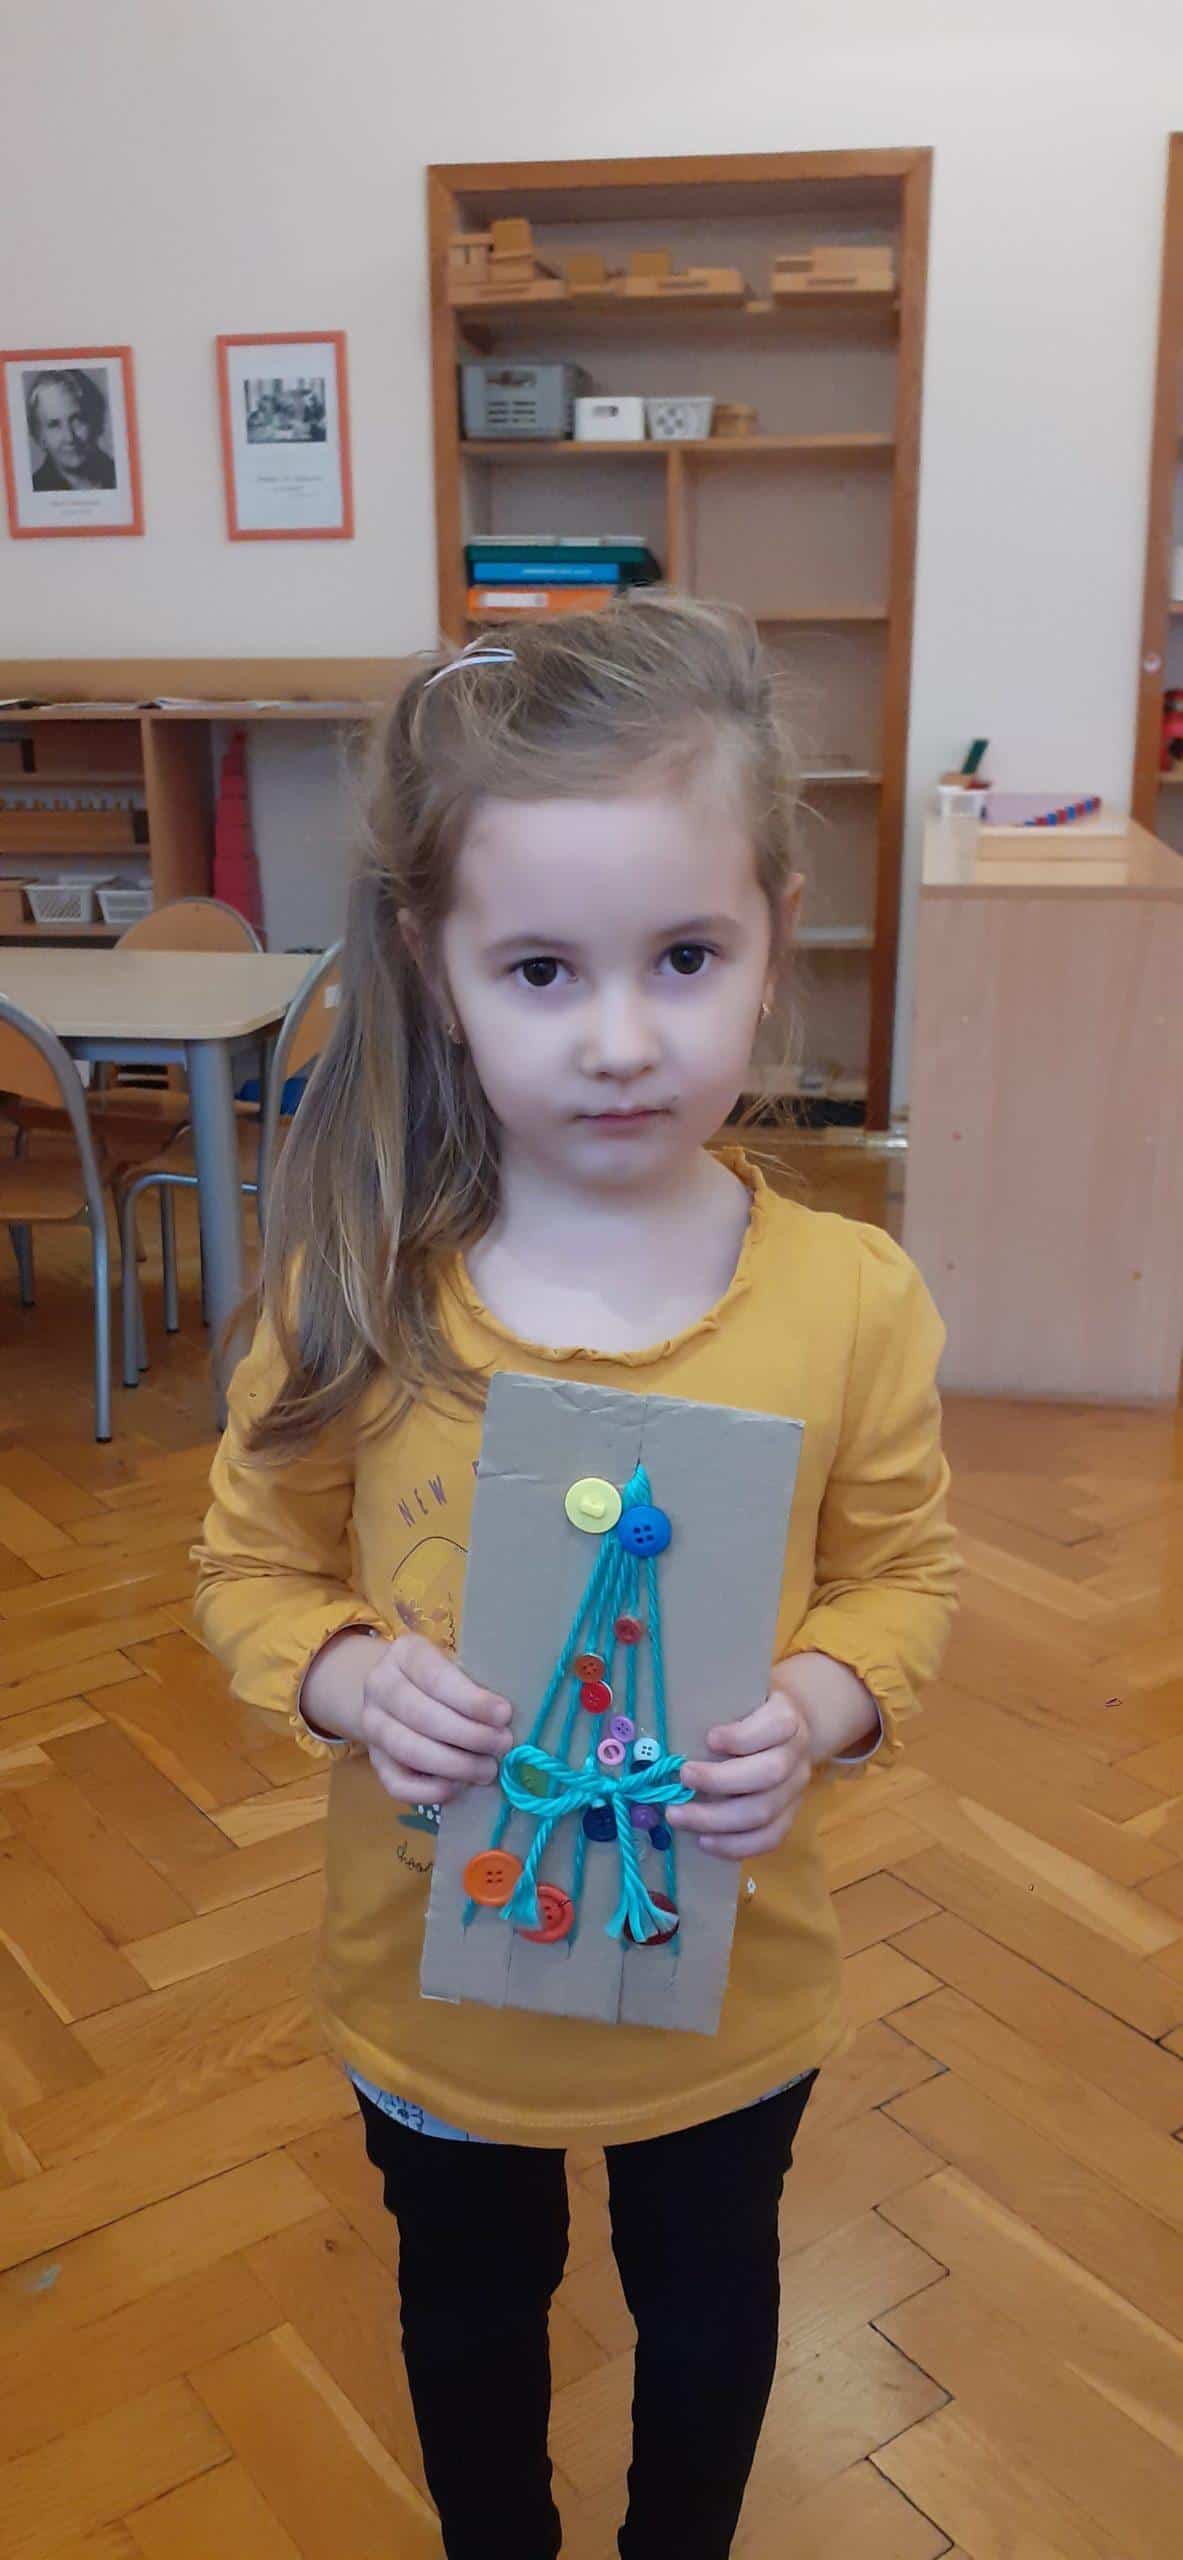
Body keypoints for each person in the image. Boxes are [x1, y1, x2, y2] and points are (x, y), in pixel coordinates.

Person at [194, 595, 958, 2560]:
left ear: (774, 934)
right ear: (435, 971)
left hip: (728, 1992)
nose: (621, 1039)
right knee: (469, 2322)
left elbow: (900, 1581)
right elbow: (250, 1566)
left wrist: (818, 1705)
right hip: (438, 2006)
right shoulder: (360, 1288)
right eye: (540, 967)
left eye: (684, 957)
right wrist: (351, 1676)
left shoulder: (849, 1299)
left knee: (705, 2325)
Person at [25, 368, 116, 491]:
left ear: (95, 421)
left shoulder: (120, 475)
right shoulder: (33, 489)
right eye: (54, 425)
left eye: (77, 420)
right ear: (40, 437)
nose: (69, 437)